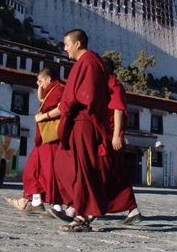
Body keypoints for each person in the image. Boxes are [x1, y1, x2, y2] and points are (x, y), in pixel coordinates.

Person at [51, 29, 111, 232]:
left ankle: (83, 214)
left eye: (66, 44)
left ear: (78, 44)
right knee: (67, 165)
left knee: (82, 168)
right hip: (77, 121)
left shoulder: (89, 63)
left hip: (83, 121)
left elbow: (88, 95)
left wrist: (65, 108)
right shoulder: (86, 63)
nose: (65, 49)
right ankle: (80, 207)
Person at [5, 67, 64, 216]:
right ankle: (36, 202)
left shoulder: (60, 89)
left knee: (50, 172)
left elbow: (63, 108)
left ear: (49, 79)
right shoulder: (51, 90)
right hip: (43, 139)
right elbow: (42, 100)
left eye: (41, 81)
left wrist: (43, 117)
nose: (40, 84)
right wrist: (39, 86)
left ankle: (58, 207)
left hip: (53, 139)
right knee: (32, 169)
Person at [100, 56, 144, 225]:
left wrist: (117, 135)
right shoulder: (102, 85)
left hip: (111, 136)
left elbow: (118, 110)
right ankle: (132, 210)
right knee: (113, 173)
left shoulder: (113, 84)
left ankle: (81, 209)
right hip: (102, 135)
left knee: (108, 172)